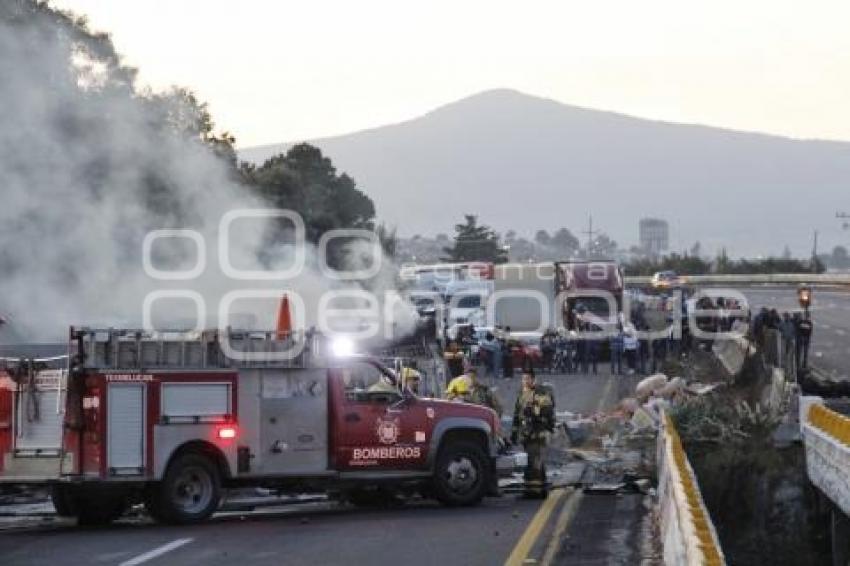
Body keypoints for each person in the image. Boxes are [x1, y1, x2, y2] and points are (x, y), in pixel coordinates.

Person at [510, 370, 555, 499]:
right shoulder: (522, 394)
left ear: (533, 379)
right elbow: (517, 414)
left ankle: (536, 492)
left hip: (537, 434)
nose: (525, 381)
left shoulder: (541, 393)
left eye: (527, 379)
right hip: (526, 434)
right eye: (523, 379)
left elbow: (546, 411)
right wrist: (514, 433)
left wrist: (535, 413)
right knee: (529, 462)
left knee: (536, 463)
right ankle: (531, 490)